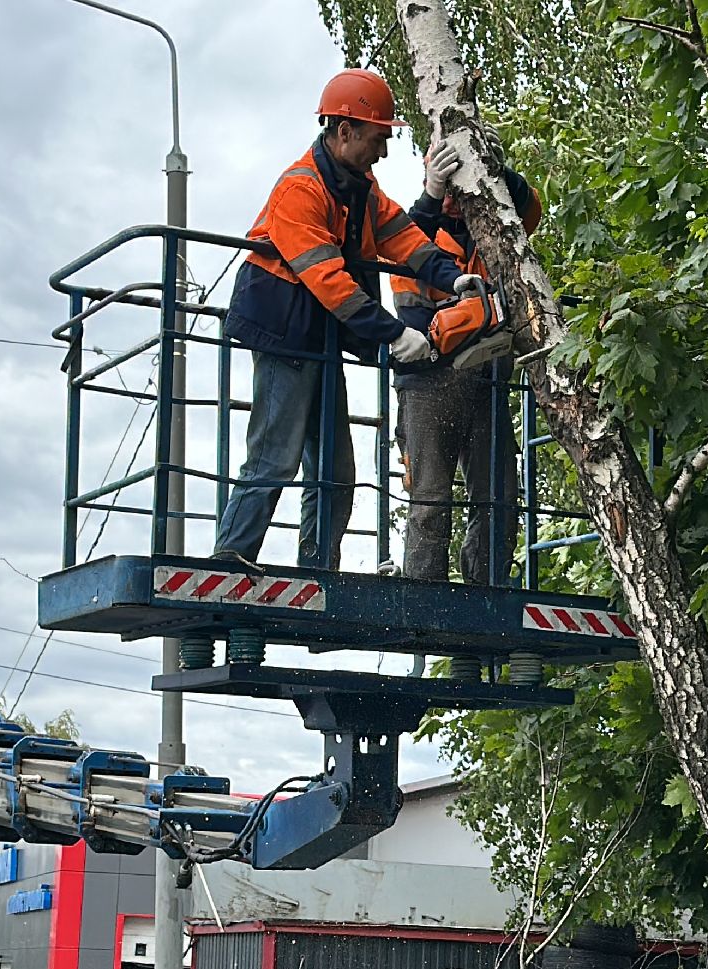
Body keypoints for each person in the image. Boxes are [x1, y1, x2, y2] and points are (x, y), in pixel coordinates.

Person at [213, 69, 480, 570]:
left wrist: (453, 276)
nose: (382, 151)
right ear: (344, 131)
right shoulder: (301, 190)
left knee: (334, 469)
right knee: (274, 454)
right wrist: (396, 333)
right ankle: (232, 556)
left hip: (320, 335)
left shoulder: (360, 186)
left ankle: (318, 569)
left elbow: (403, 236)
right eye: (378, 138)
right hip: (284, 331)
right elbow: (331, 282)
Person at [389, 140, 543, 584]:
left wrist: (497, 170)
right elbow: (402, 249)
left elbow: (530, 211)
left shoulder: (493, 230)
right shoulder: (415, 229)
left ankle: (487, 590)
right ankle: (423, 593)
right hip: (426, 380)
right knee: (430, 497)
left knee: (498, 497)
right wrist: (434, 192)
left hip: (485, 383)